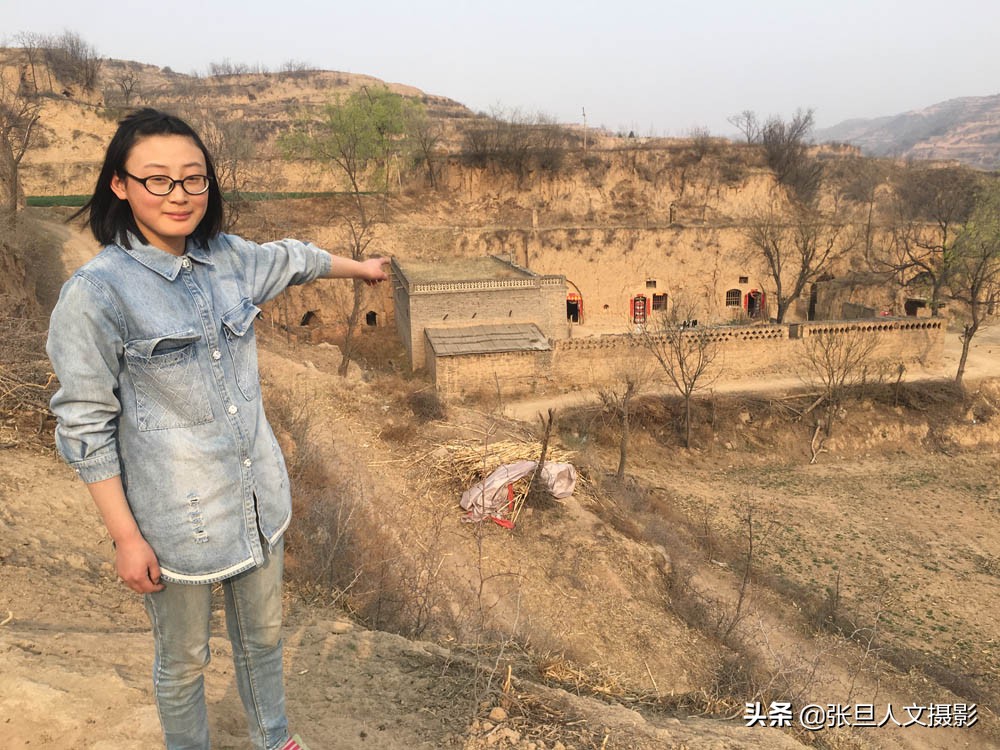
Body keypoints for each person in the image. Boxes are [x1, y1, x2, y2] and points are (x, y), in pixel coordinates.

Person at [46, 108, 387, 750]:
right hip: (176, 524)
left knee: (261, 638)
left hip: (258, 500)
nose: (179, 195)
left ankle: (274, 738)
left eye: (193, 179)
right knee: (184, 663)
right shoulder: (97, 295)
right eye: (158, 180)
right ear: (120, 185)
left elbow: (295, 260)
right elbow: (84, 426)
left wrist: (360, 268)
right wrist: (125, 538)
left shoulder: (229, 260)